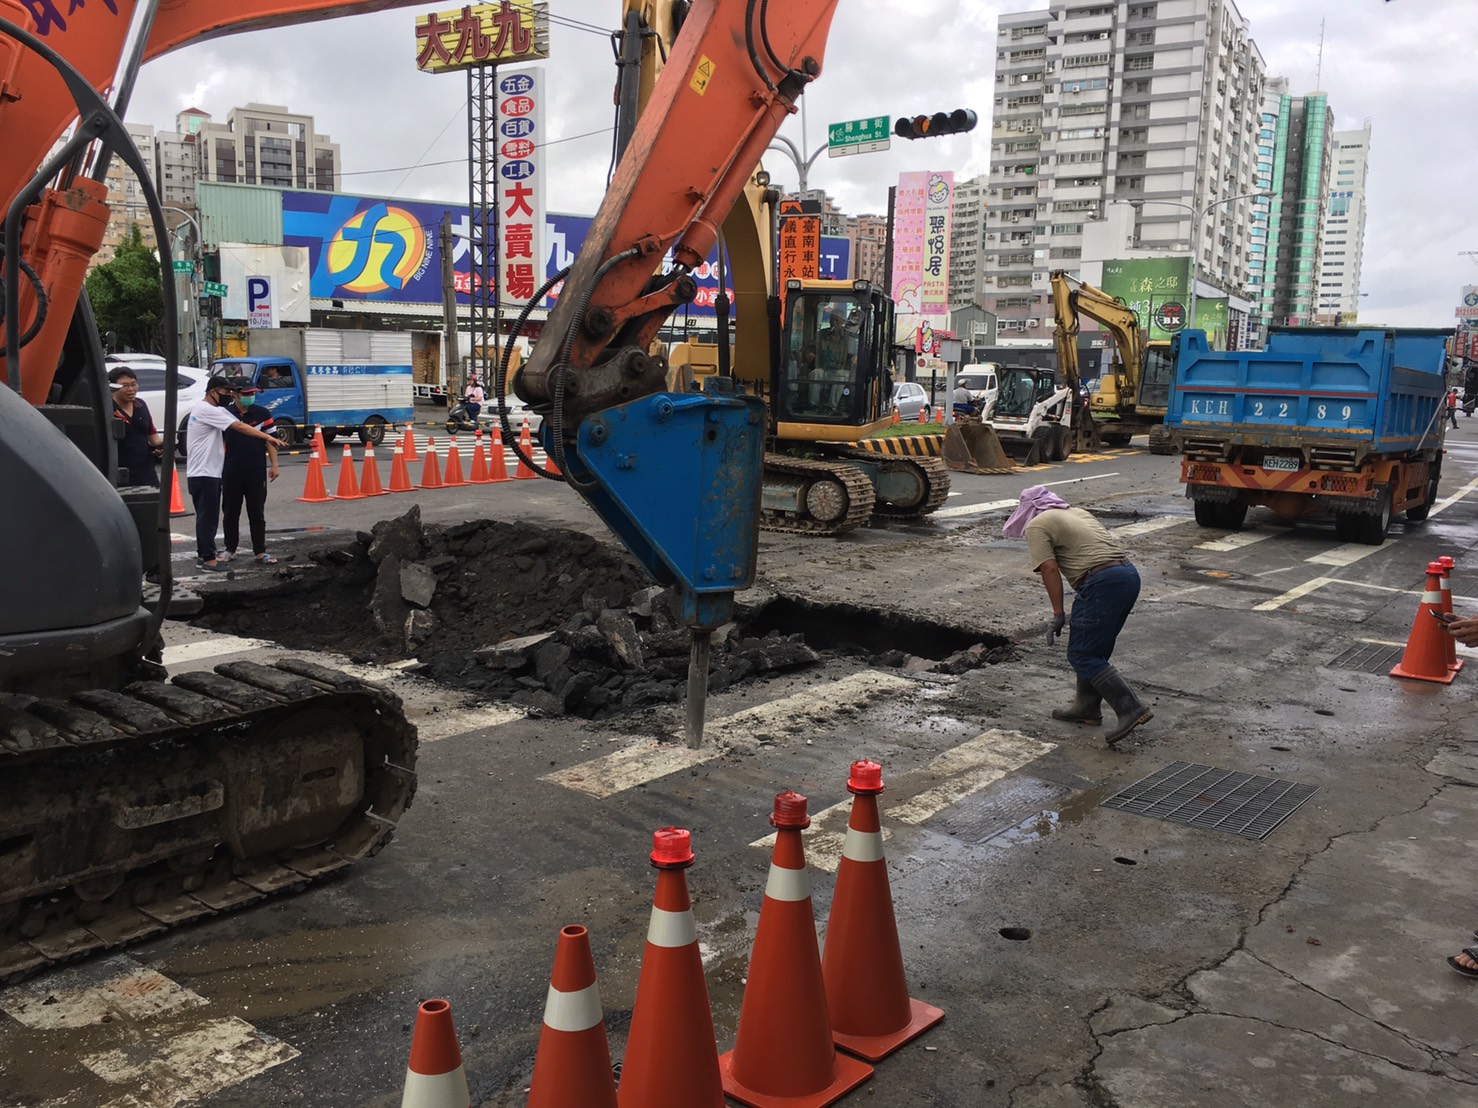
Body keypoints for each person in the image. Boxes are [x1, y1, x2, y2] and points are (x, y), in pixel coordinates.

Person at [1004, 485, 1153, 746]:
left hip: (1100, 582)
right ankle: (1086, 707)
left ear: (1028, 510)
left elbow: (1049, 569)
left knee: (1082, 654)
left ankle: (1130, 709)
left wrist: (1058, 613)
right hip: (1127, 576)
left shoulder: (1037, 525)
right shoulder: (1079, 513)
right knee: (1095, 648)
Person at [185, 375, 281, 572]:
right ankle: (211, 558)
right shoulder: (210, 410)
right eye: (226, 392)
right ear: (214, 392)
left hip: (228, 471)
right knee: (214, 516)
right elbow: (239, 426)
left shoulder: (219, 410)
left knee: (219, 515)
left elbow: (241, 425)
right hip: (211, 472)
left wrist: (274, 460)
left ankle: (209, 555)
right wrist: (265, 435)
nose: (228, 395)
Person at [221, 376, 280, 565]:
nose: (249, 397)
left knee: (257, 512)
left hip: (255, 471)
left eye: (252, 394)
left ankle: (260, 552)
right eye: (246, 394)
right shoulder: (224, 413)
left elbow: (271, 440)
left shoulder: (262, 413)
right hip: (231, 470)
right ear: (235, 394)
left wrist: (274, 465)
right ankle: (230, 549)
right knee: (231, 511)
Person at [107, 366, 163, 487]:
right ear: (112, 387)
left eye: (133, 384)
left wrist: (162, 448)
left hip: (146, 472)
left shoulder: (141, 405)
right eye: (125, 385)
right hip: (119, 474)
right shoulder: (107, 409)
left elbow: (153, 438)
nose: (131, 389)